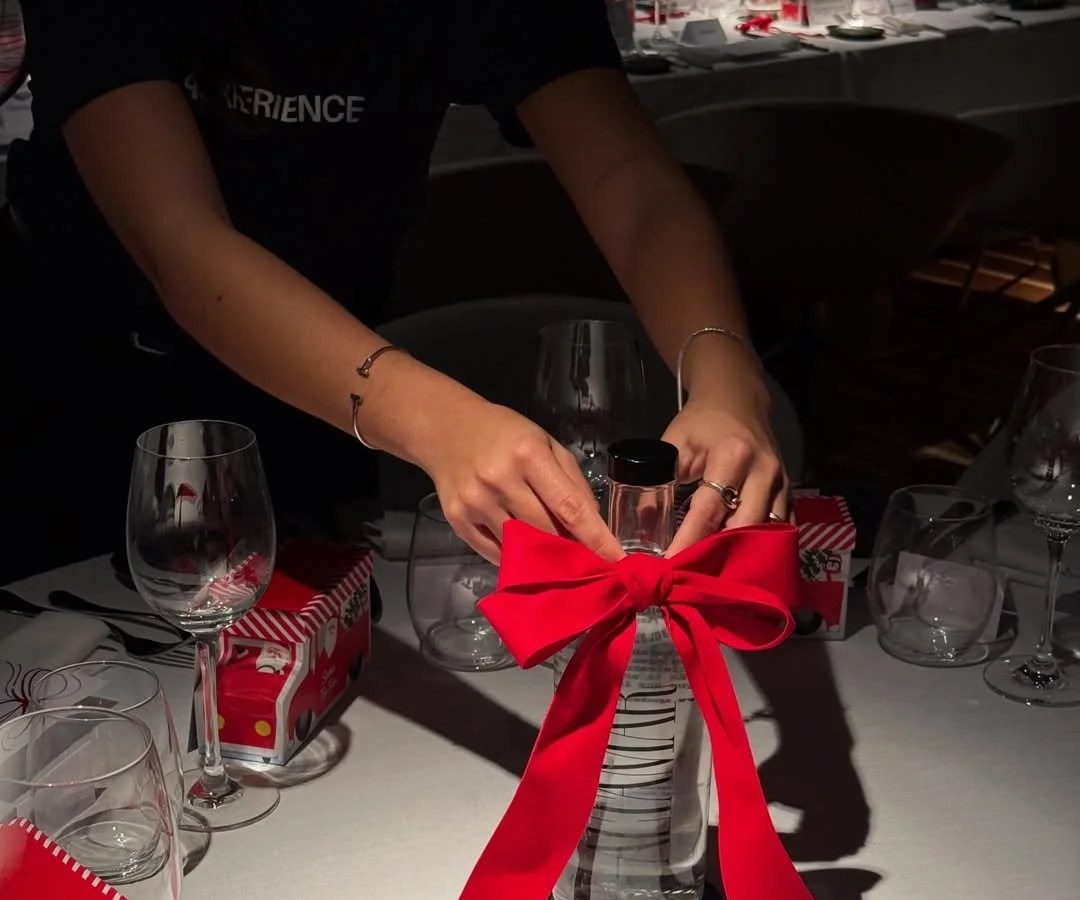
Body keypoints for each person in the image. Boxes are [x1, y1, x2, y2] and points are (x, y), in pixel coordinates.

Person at [1, 0, 787, 575]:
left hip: (319, 376)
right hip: (85, 377)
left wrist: (727, 375)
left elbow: (633, 181)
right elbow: (182, 243)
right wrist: (436, 419)